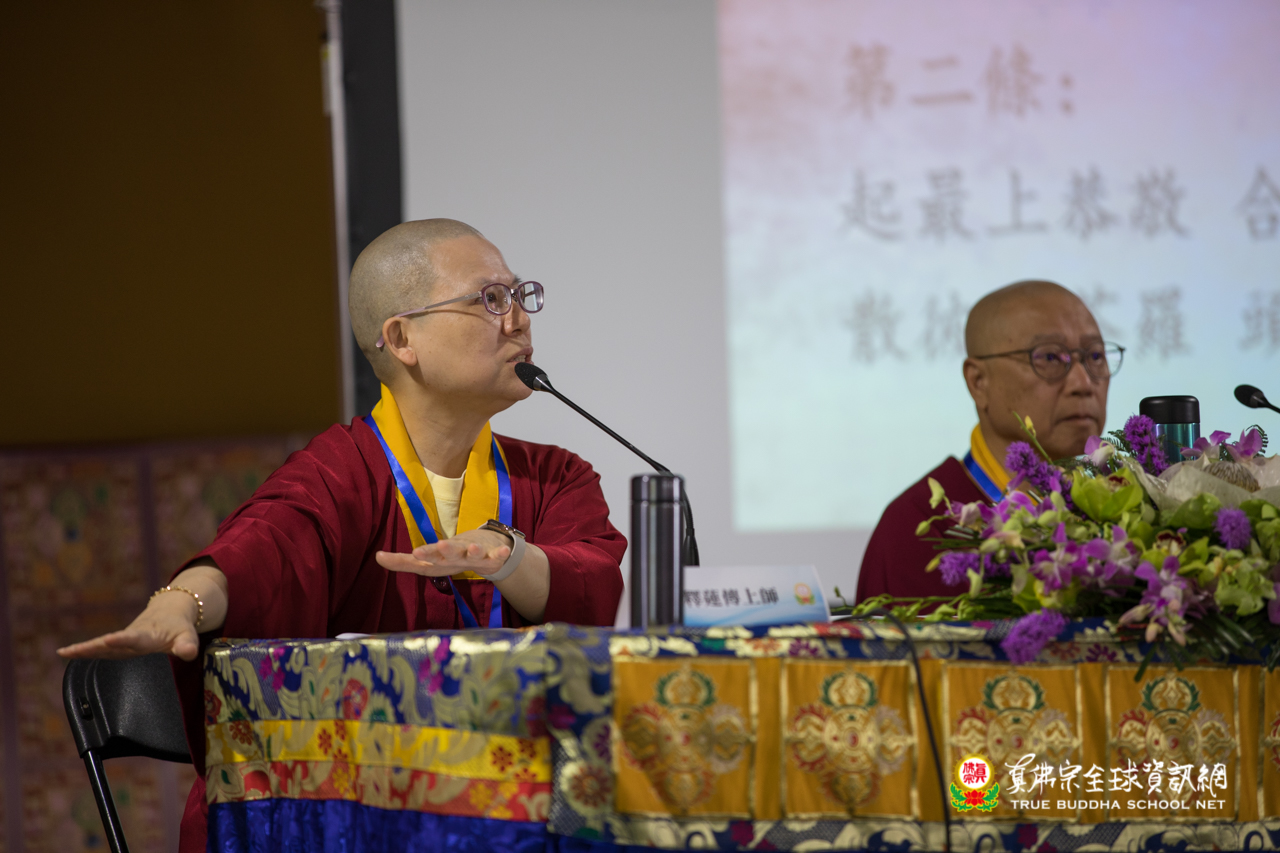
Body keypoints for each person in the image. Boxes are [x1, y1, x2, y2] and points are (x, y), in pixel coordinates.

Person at [58, 219, 627, 851]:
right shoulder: (339, 473)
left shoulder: (554, 477)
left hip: (509, 810)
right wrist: (182, 600)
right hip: (349, 818)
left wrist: (509, 558)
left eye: (520, 295)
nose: (518, 320)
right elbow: (263, 551)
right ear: (402, 338)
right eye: (490, 299)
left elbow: (591, 580)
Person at [856, 280, 1118, 602]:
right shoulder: (919, 529)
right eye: (1050, 357)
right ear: (978, 382)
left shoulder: (1126, 512)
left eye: (1095, 356)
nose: (1083, 382)